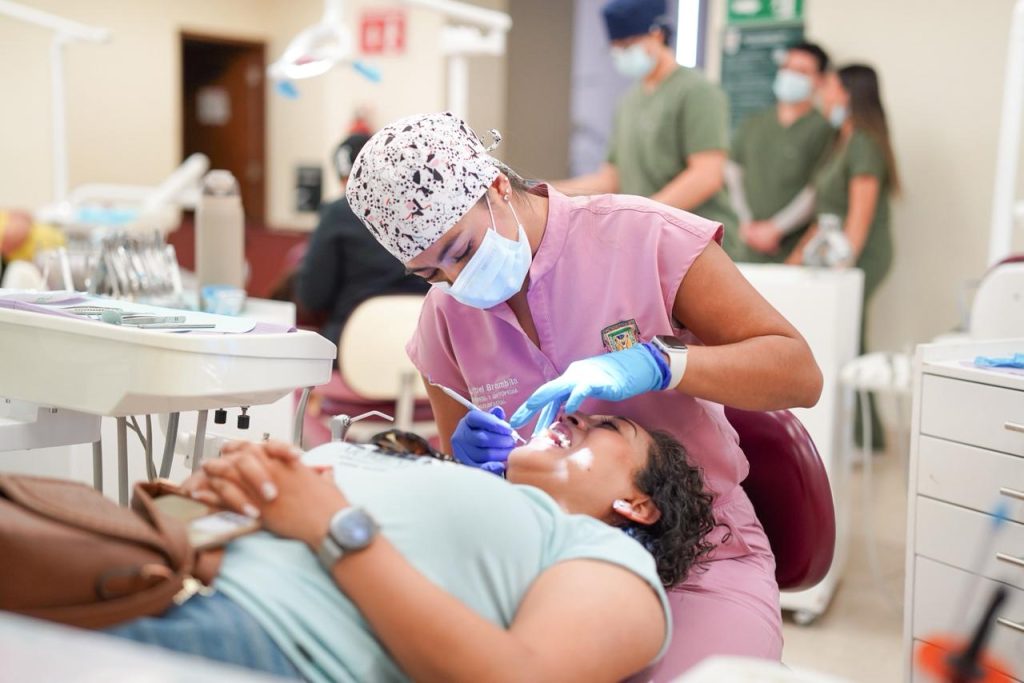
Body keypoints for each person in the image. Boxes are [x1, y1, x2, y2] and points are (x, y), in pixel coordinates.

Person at [345, 111, 823, 678]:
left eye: (462, 250)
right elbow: (465, 482)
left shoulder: (643, 237)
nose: (457, 282)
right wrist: (475, 468)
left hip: (701, 552)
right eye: (430, 274)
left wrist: (662, 364)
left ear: (497, 186)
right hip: (547, 557)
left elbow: (799, 373)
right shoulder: (446, 320)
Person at [104, 412, 717, 683]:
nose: (577, 414)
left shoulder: (603, 557)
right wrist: (214, 492)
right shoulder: (437, 469)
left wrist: (333, 526)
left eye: (609, 428)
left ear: (638, 505)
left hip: (262, 636)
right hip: (148, 570)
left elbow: (520, 678)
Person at [555, 0, 737, 243]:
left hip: (700, 243)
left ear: (657, 33)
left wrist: (642, 215)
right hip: (652, 239)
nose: (622, 53)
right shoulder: (628, 102)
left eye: (629, 44)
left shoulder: (697, 91)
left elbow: (706, 175)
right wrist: (545, 192)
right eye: (615, 47)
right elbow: (610, 179)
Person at [786, 64, 900, 450]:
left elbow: (859, 218)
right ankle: (862, 435)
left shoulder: (865, 142)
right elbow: (827, 214)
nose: (822, 92)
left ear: (848, 93)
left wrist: (842, 264)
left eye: (829, 86)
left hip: (862, 254)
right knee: (851, 336)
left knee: (851, 338)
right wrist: (797, 259)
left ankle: (864, 437)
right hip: (838, 250)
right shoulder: (843, 139)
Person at [294, 133, 428, 347]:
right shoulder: (424, 206)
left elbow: (313, 296)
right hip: (425, 338)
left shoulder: (337, 213)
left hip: (356, 339)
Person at [725, 42, 835, 263]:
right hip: (744, 244)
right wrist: (745, 223)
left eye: (802, 71)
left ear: (820, 80)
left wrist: (776, 228)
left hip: (789, 251)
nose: (790, 75)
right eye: (787, 67)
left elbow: (819, 189)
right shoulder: (753, 123)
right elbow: (732, 173)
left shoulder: (823, 130)